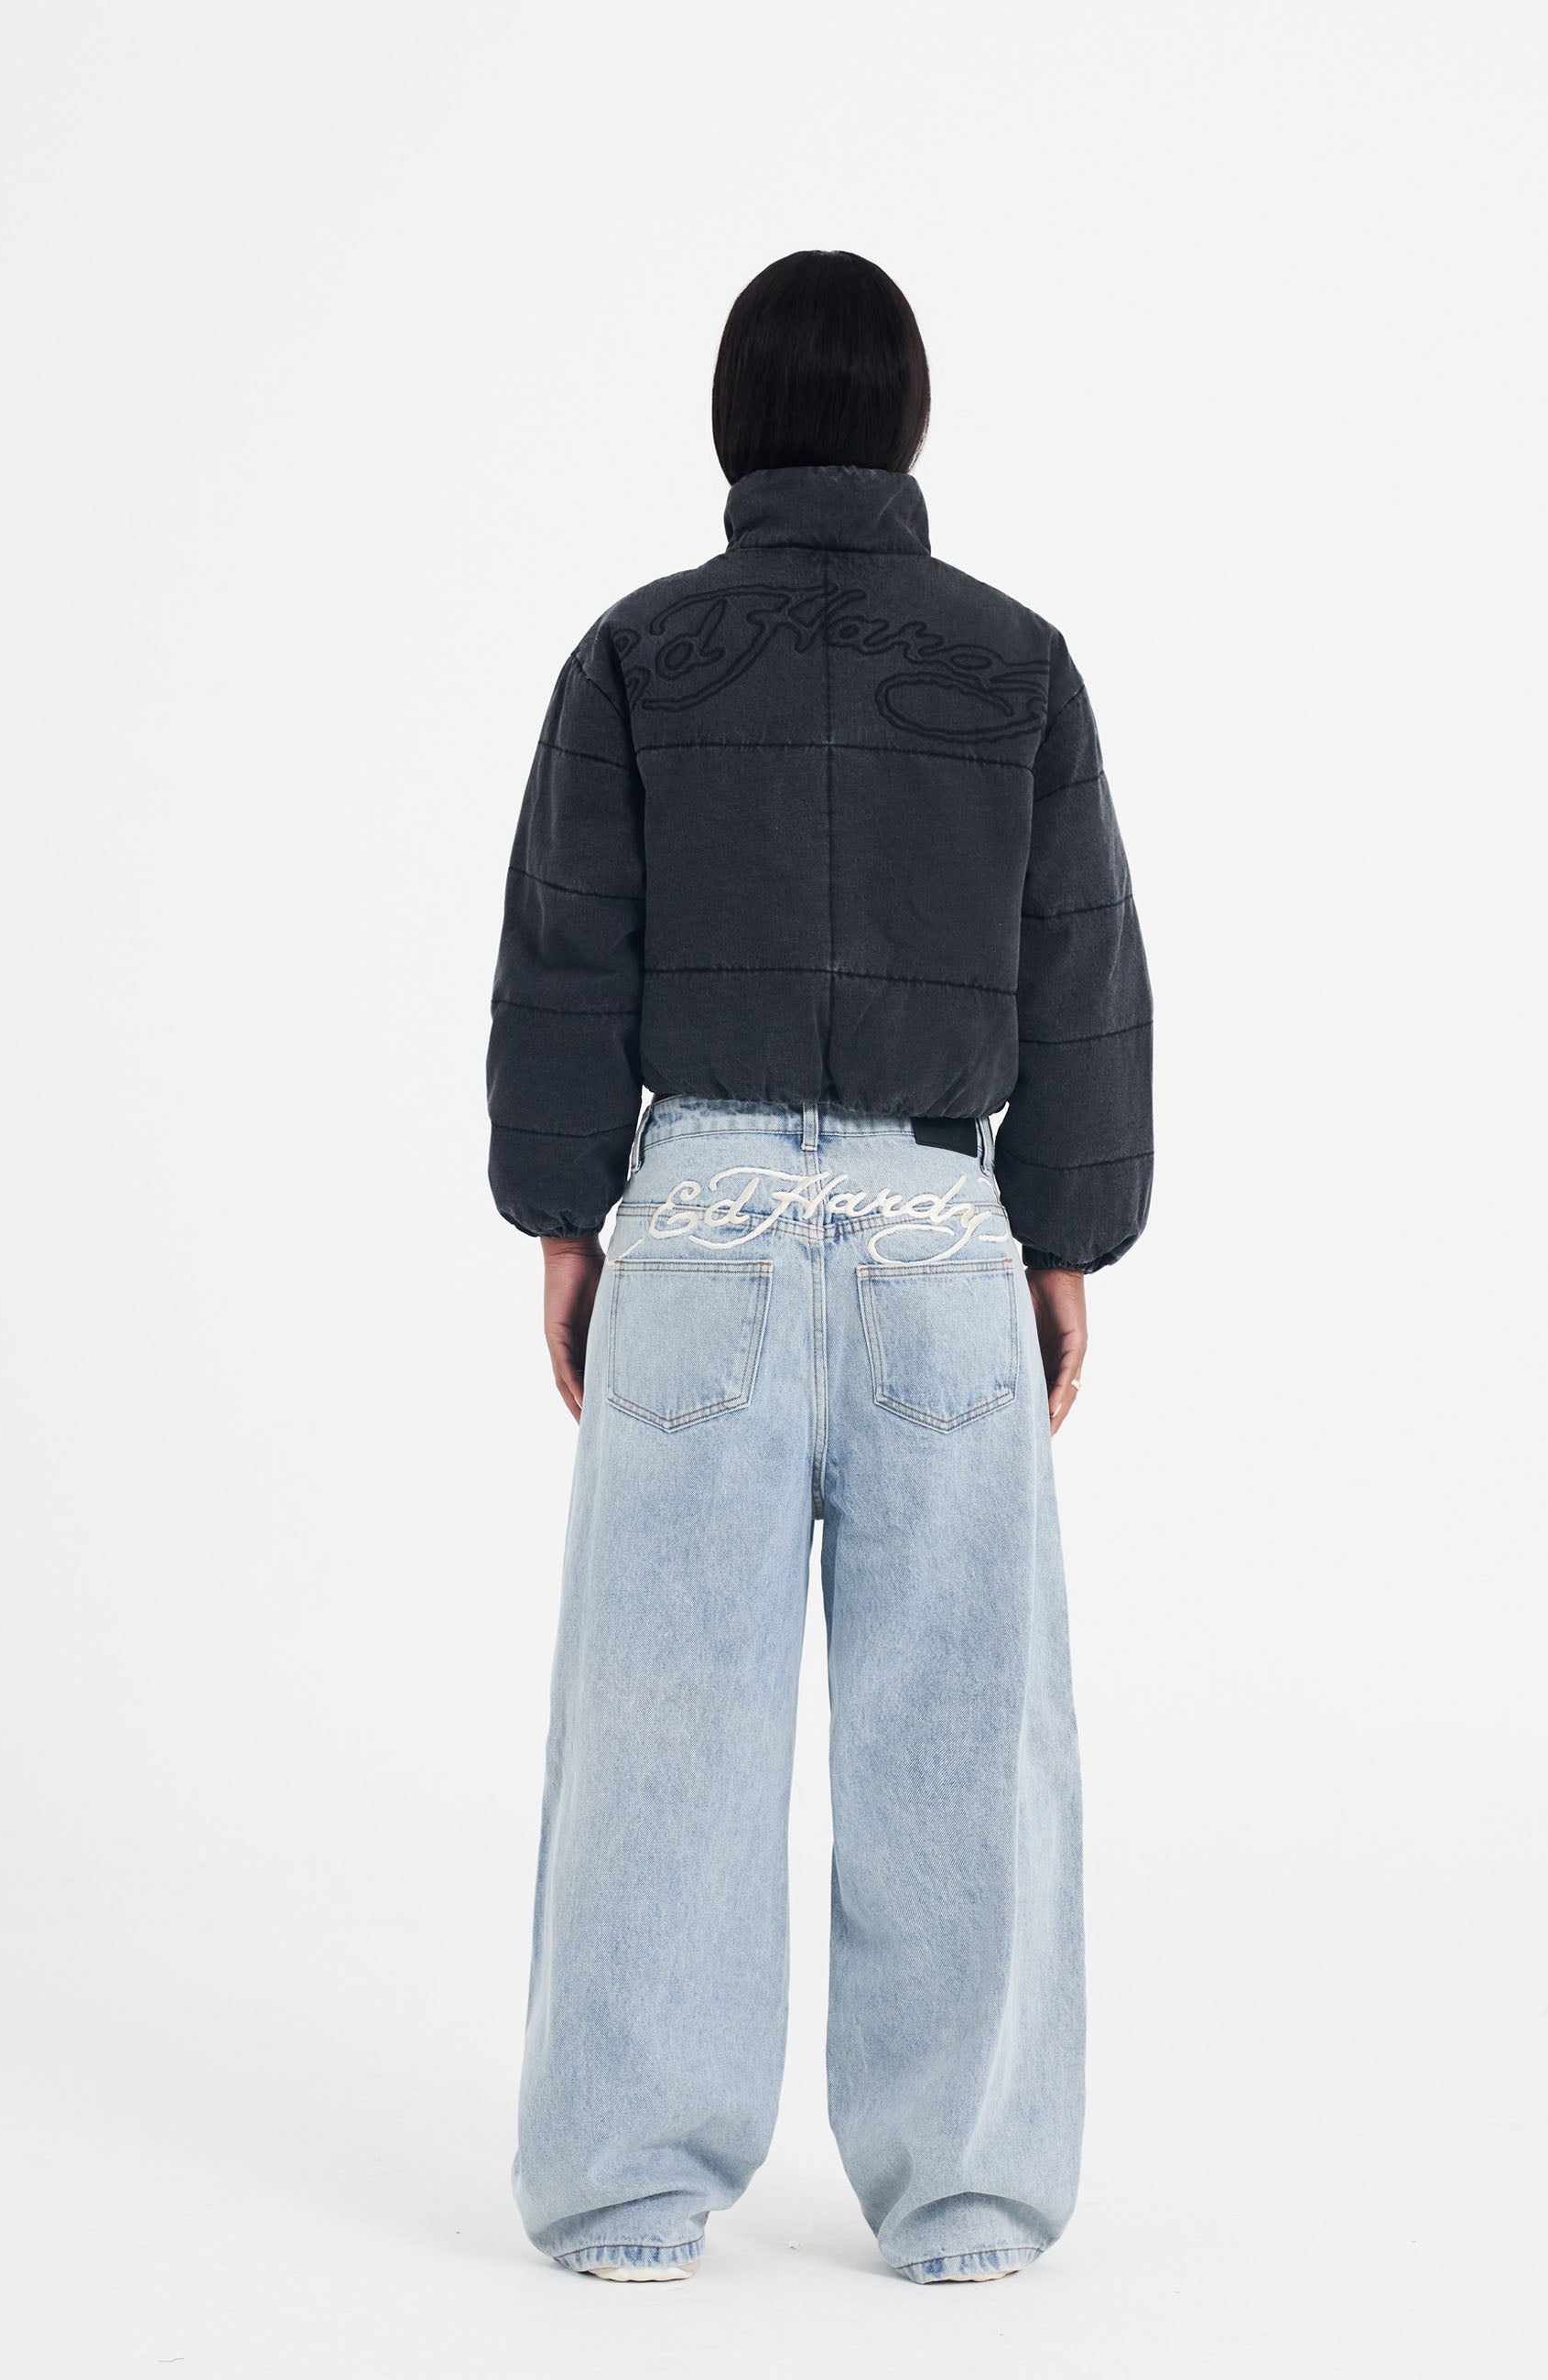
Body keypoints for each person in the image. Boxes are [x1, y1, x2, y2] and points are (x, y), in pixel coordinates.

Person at [485, 250, 1153, 2286]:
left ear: (735, 422)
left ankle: (624, 2193)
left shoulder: (638, 654)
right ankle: (967, 2202)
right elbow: (1082, 970)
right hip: (943, 1238)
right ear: (908, 420)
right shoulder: (1017, 663)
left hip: (693, 1233)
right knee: (963, 1731)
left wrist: (567, 1217)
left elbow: (565, 952)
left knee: (661, 1726)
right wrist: (1064, 1239)